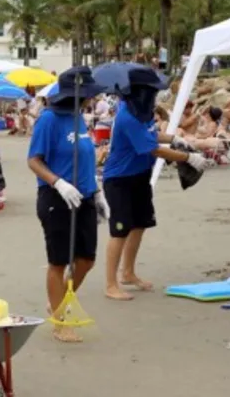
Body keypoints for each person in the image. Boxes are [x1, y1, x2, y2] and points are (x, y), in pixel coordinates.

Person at [102, 68, 208, 301]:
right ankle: (111, 284)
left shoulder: (142, 112)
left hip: (140, 176)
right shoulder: (127, 116)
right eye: (151, 91)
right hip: (120, 179)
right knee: (120, 230)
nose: (154, 96)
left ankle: (128, 273)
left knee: (139, 224)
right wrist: (188, 157)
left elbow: (152, 135)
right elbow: (152, 149)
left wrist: (175, 138)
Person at [27, 66, 110, 342]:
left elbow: (85, 157)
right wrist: (58, 183)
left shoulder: (78, 118)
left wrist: (97, 192)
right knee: (59, 260)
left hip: (84, 194)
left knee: (86, 259)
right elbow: (34, 160)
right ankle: (60, 320)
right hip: (56, 197)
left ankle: (60, 298)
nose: (89, 99)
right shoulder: (48, 120)